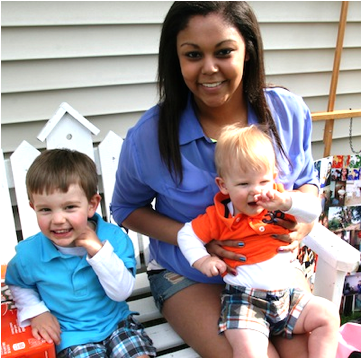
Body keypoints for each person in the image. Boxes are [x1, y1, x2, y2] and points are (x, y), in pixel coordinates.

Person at [111, 1, 325, 357]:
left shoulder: (287, 111)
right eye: (193, 54)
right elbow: (126, 208)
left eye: (224, 52)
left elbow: (307, 180)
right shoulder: (150, 136)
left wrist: (301, 226)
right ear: (176, 60)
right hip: (190, 275)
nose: (209, 68)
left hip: (270, 267)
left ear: (248, 52)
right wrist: (193, 241)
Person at [177, 124, 340, 358]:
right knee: (250, 352)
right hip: (246, 303)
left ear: (273, 178)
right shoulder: (221, 216)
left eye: (263, 182)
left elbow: (313, 211)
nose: (256, 191)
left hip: (288, 297)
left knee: (328, 315)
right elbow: (186, 234)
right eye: (243, 184)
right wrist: (202, 259)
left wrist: (287, 202)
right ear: (224, 185)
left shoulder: (282, 203)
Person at [5, 149, 156, 358]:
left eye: (69, 207)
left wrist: (98, 252)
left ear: (92, 205)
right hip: (70, 334)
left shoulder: (114, 239)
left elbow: (121, 293)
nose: (57, 219)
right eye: (45, 210)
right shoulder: (29, 254)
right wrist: (36, 312)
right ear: (33, 208)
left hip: (117, 323)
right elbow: (17, 282)